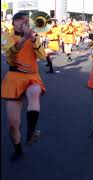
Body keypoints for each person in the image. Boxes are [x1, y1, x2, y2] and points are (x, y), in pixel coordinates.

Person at [1, 11, 47, 161]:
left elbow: (42, 56)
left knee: (34, 91)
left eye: (26, 21)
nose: (24, 23)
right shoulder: (6, 36)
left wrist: (33, 39)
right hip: (14, 78)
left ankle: (31, 133)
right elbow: (10, 55)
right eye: (20, 20)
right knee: (13, 125)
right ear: (13, 23)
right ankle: (18, 147)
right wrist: (25, 38)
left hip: (32, 77)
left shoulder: (34, 36)